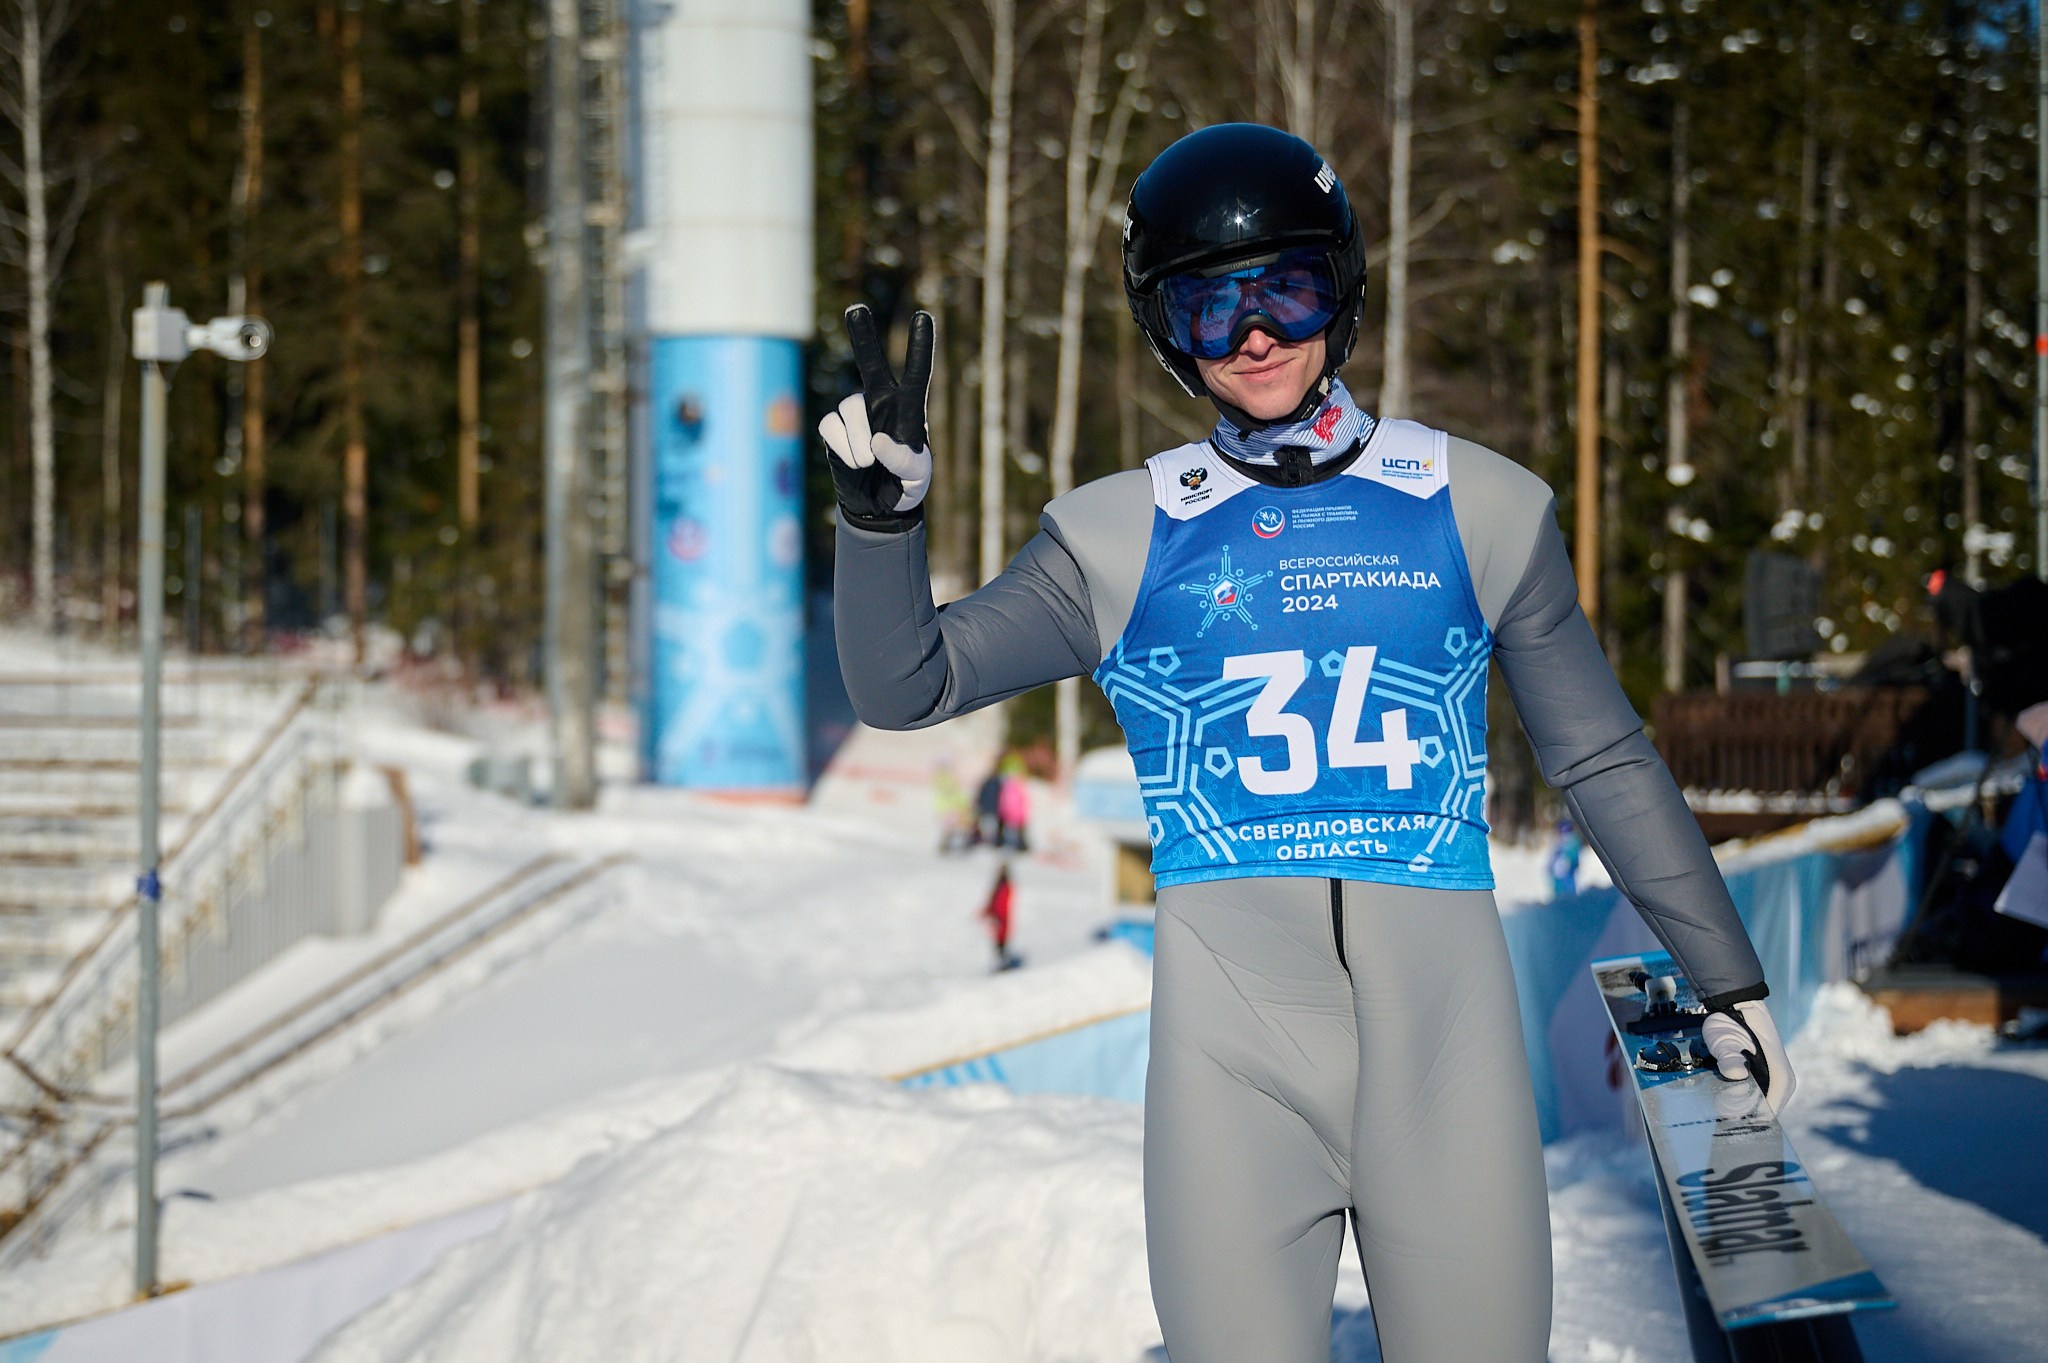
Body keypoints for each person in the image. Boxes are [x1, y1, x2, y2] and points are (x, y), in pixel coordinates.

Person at [821, 123, 1789, 1363]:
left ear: (1341, 290)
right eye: (1207, 306)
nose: (1253, 335)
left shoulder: (1477, 504)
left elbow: (1600, 759)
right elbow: (906, 684)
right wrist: (880, 529)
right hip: (1232, 1083)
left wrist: (1724, 976)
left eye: (1283, 289)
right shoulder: (1117, 537)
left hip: (1444, 1067)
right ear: (1166, 332)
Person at [980, 862, 1018, 970]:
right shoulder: (1000, 886)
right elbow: (992, 902)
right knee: (998, 944)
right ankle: (1002, 963)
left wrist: (996, 916)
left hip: (1001, 919)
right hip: (999, 919)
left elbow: (1001, 904)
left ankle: (1004, 964)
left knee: (1001, 944)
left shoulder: (1005, 887)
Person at [1549, 815, 1583, 898]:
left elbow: (1575, 862)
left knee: (1569, 893)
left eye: (1568, 830)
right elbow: (1552, 863)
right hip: (1558, 880)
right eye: (1562, 831)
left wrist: (1569, 863)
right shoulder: (1559, 844)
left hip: (1568, 878)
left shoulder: (1574, 843)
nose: (1565, 834)